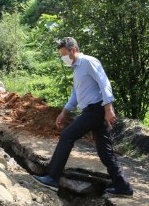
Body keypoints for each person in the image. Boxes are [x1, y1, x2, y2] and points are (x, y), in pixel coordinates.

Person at [33, 37, 133, 196]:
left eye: (64, 54)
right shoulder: (77, 68)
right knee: (105, 151)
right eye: (61, 55)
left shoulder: (88, 62)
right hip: (92, 110)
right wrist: (64, 112)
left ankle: (52, 177)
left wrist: (109, 108)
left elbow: (104, 83)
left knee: (67, 135)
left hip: (96, 110)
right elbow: (76, 93)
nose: (63, 58)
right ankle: (123, 186)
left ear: (73, 50)